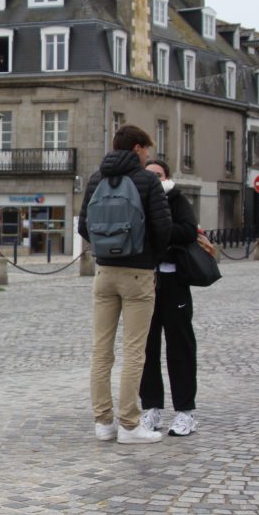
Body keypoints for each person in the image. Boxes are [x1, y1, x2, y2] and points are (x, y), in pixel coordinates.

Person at [77, 125, 171, 445]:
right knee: (135, 351)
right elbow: (163, 228)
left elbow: (83, 226)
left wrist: (106, 250)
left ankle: (103, 423)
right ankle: (130, 424)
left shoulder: (95, 179)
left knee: (101, 351)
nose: (148, 155)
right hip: (138, 273)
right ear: (136, 149)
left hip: (104, 274)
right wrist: (150, 260)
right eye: (146, 149)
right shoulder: (147, 180)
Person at [138, 159, 200, 437]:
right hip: (145, 281)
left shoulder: (177, 199)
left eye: (158, 175)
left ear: (166, 177)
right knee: (146, 348)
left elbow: (188, 230)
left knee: (180, 346)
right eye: (148, 175)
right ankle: (151, 407)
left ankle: (185, 411)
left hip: (174, 279)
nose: (153, 179)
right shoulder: (137, 199)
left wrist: (160, 230)